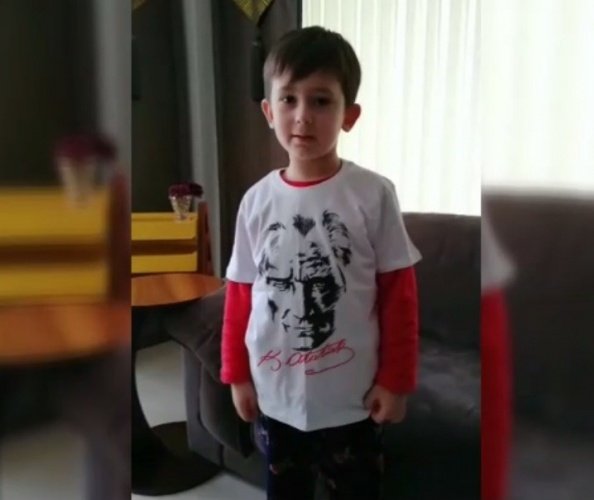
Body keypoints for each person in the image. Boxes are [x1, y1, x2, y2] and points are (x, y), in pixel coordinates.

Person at [220, 26, 421, 500]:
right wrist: (236, 375)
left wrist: (396, 380)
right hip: (275, 396)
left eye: (321, 101)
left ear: (349, 115)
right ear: (268, 111)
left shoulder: (373, 194)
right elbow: (240, 294)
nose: (302, 116)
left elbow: (400, 295)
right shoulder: (255, 202)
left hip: (352, 400)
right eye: (288, 99)